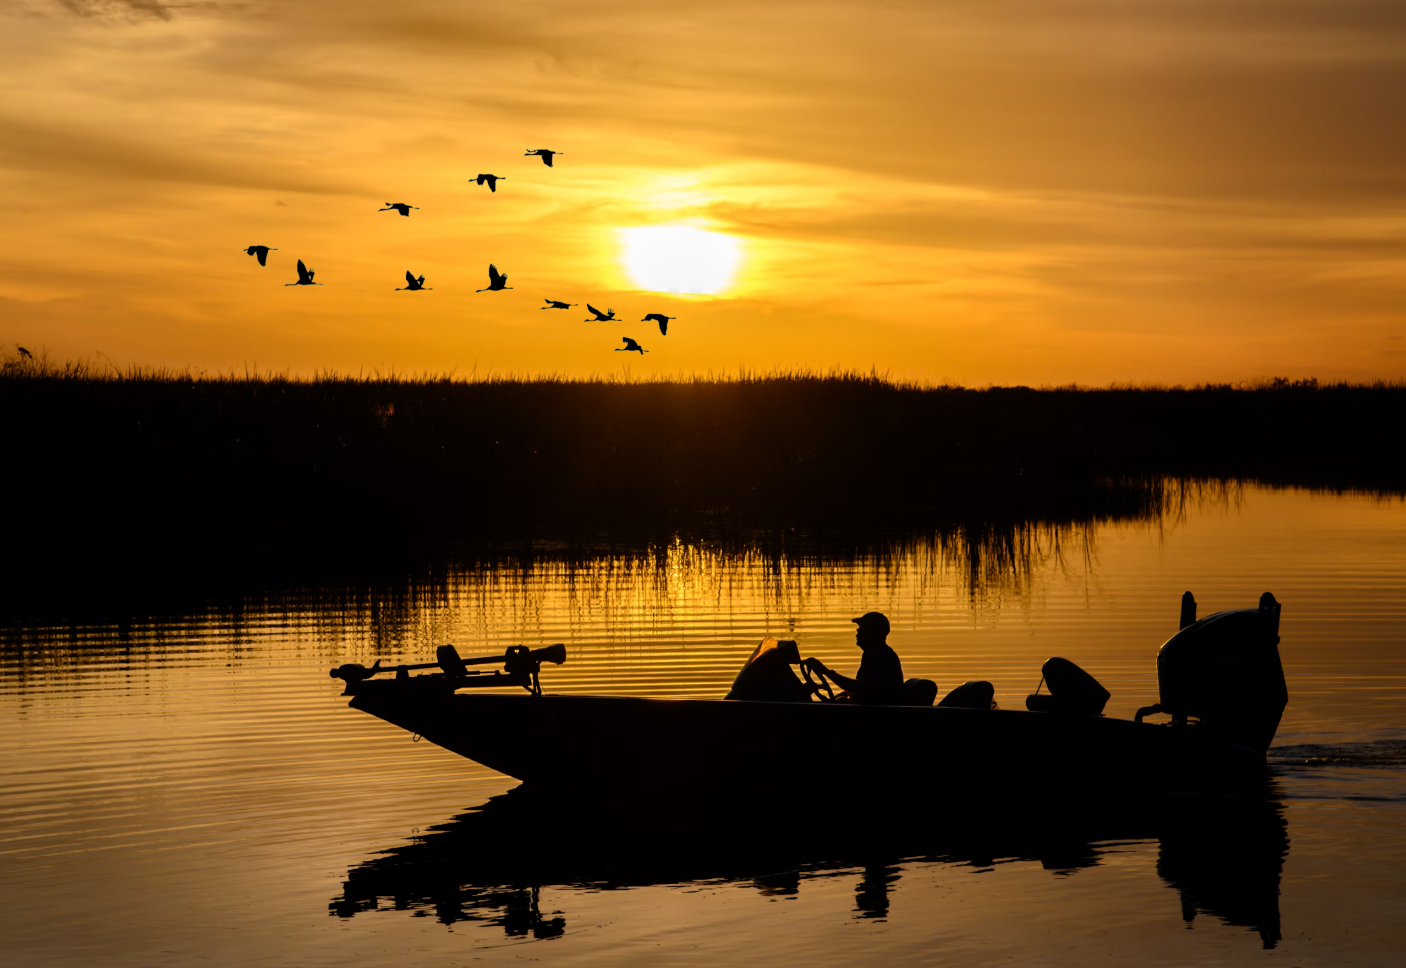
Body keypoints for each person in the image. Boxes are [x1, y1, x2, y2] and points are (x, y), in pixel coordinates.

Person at [803, 612, 904, 704]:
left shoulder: (883, 657)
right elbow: (864, 689)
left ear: (873, 632)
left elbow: (862, 689)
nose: (858, 630)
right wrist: (842, 695)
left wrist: (825, 671)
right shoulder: (872, 654)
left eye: (862, 627)